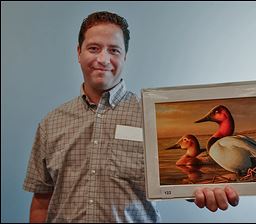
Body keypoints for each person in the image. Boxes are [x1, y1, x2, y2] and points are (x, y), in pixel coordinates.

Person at [23, 11, 239, 223]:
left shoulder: (151, 118)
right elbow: (42, 201)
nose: (103, 59)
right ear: (78, 52)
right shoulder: (50, 124)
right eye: (93, 48)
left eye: (114, 50)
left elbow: (182, 182)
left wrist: (207, 187)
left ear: (125, 56)